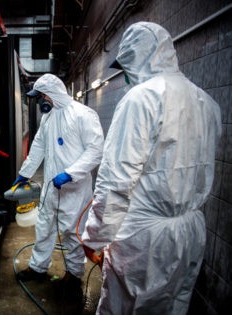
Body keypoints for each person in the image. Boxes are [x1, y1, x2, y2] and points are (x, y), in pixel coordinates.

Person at [82, 22, 222, 315]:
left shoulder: (142, 98)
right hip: (190, 231)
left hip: (145, 240)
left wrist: (95, 237)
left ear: (140, 57)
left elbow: (116, 182)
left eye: (128, 63)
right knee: (174, 305)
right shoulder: (206, 102)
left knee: (124, 308)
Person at [12, 73, 104, 299]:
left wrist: (70, 174)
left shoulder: (83, 115)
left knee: (72, 233)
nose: (41, 100)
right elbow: (38, 147)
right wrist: (24, 173)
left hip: (74, 190)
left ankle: (74, 275)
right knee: (44, 227)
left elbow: (96, 151)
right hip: (50, 188)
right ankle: (38, 267)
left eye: (42, 96)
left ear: (52, 94)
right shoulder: (48, 117)